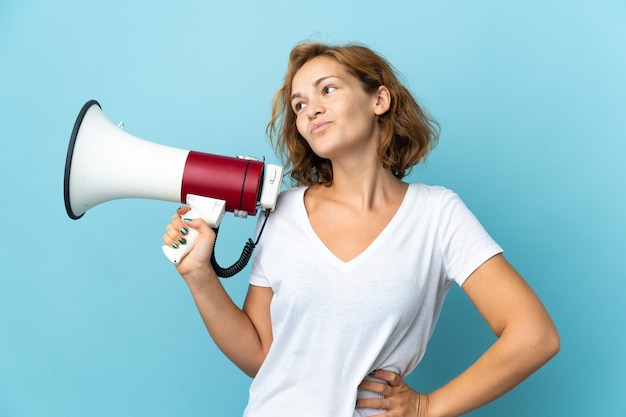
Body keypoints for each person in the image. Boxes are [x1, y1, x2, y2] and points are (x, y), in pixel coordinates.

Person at [163, 41, 560, 417]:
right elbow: (262, 356)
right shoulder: (281, 213)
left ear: (379, 100)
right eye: (299, 105)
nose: (310, 111)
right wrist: (199, 275)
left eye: (327, 90)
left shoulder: (437, 215)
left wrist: (430, 407)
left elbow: (534, 335)